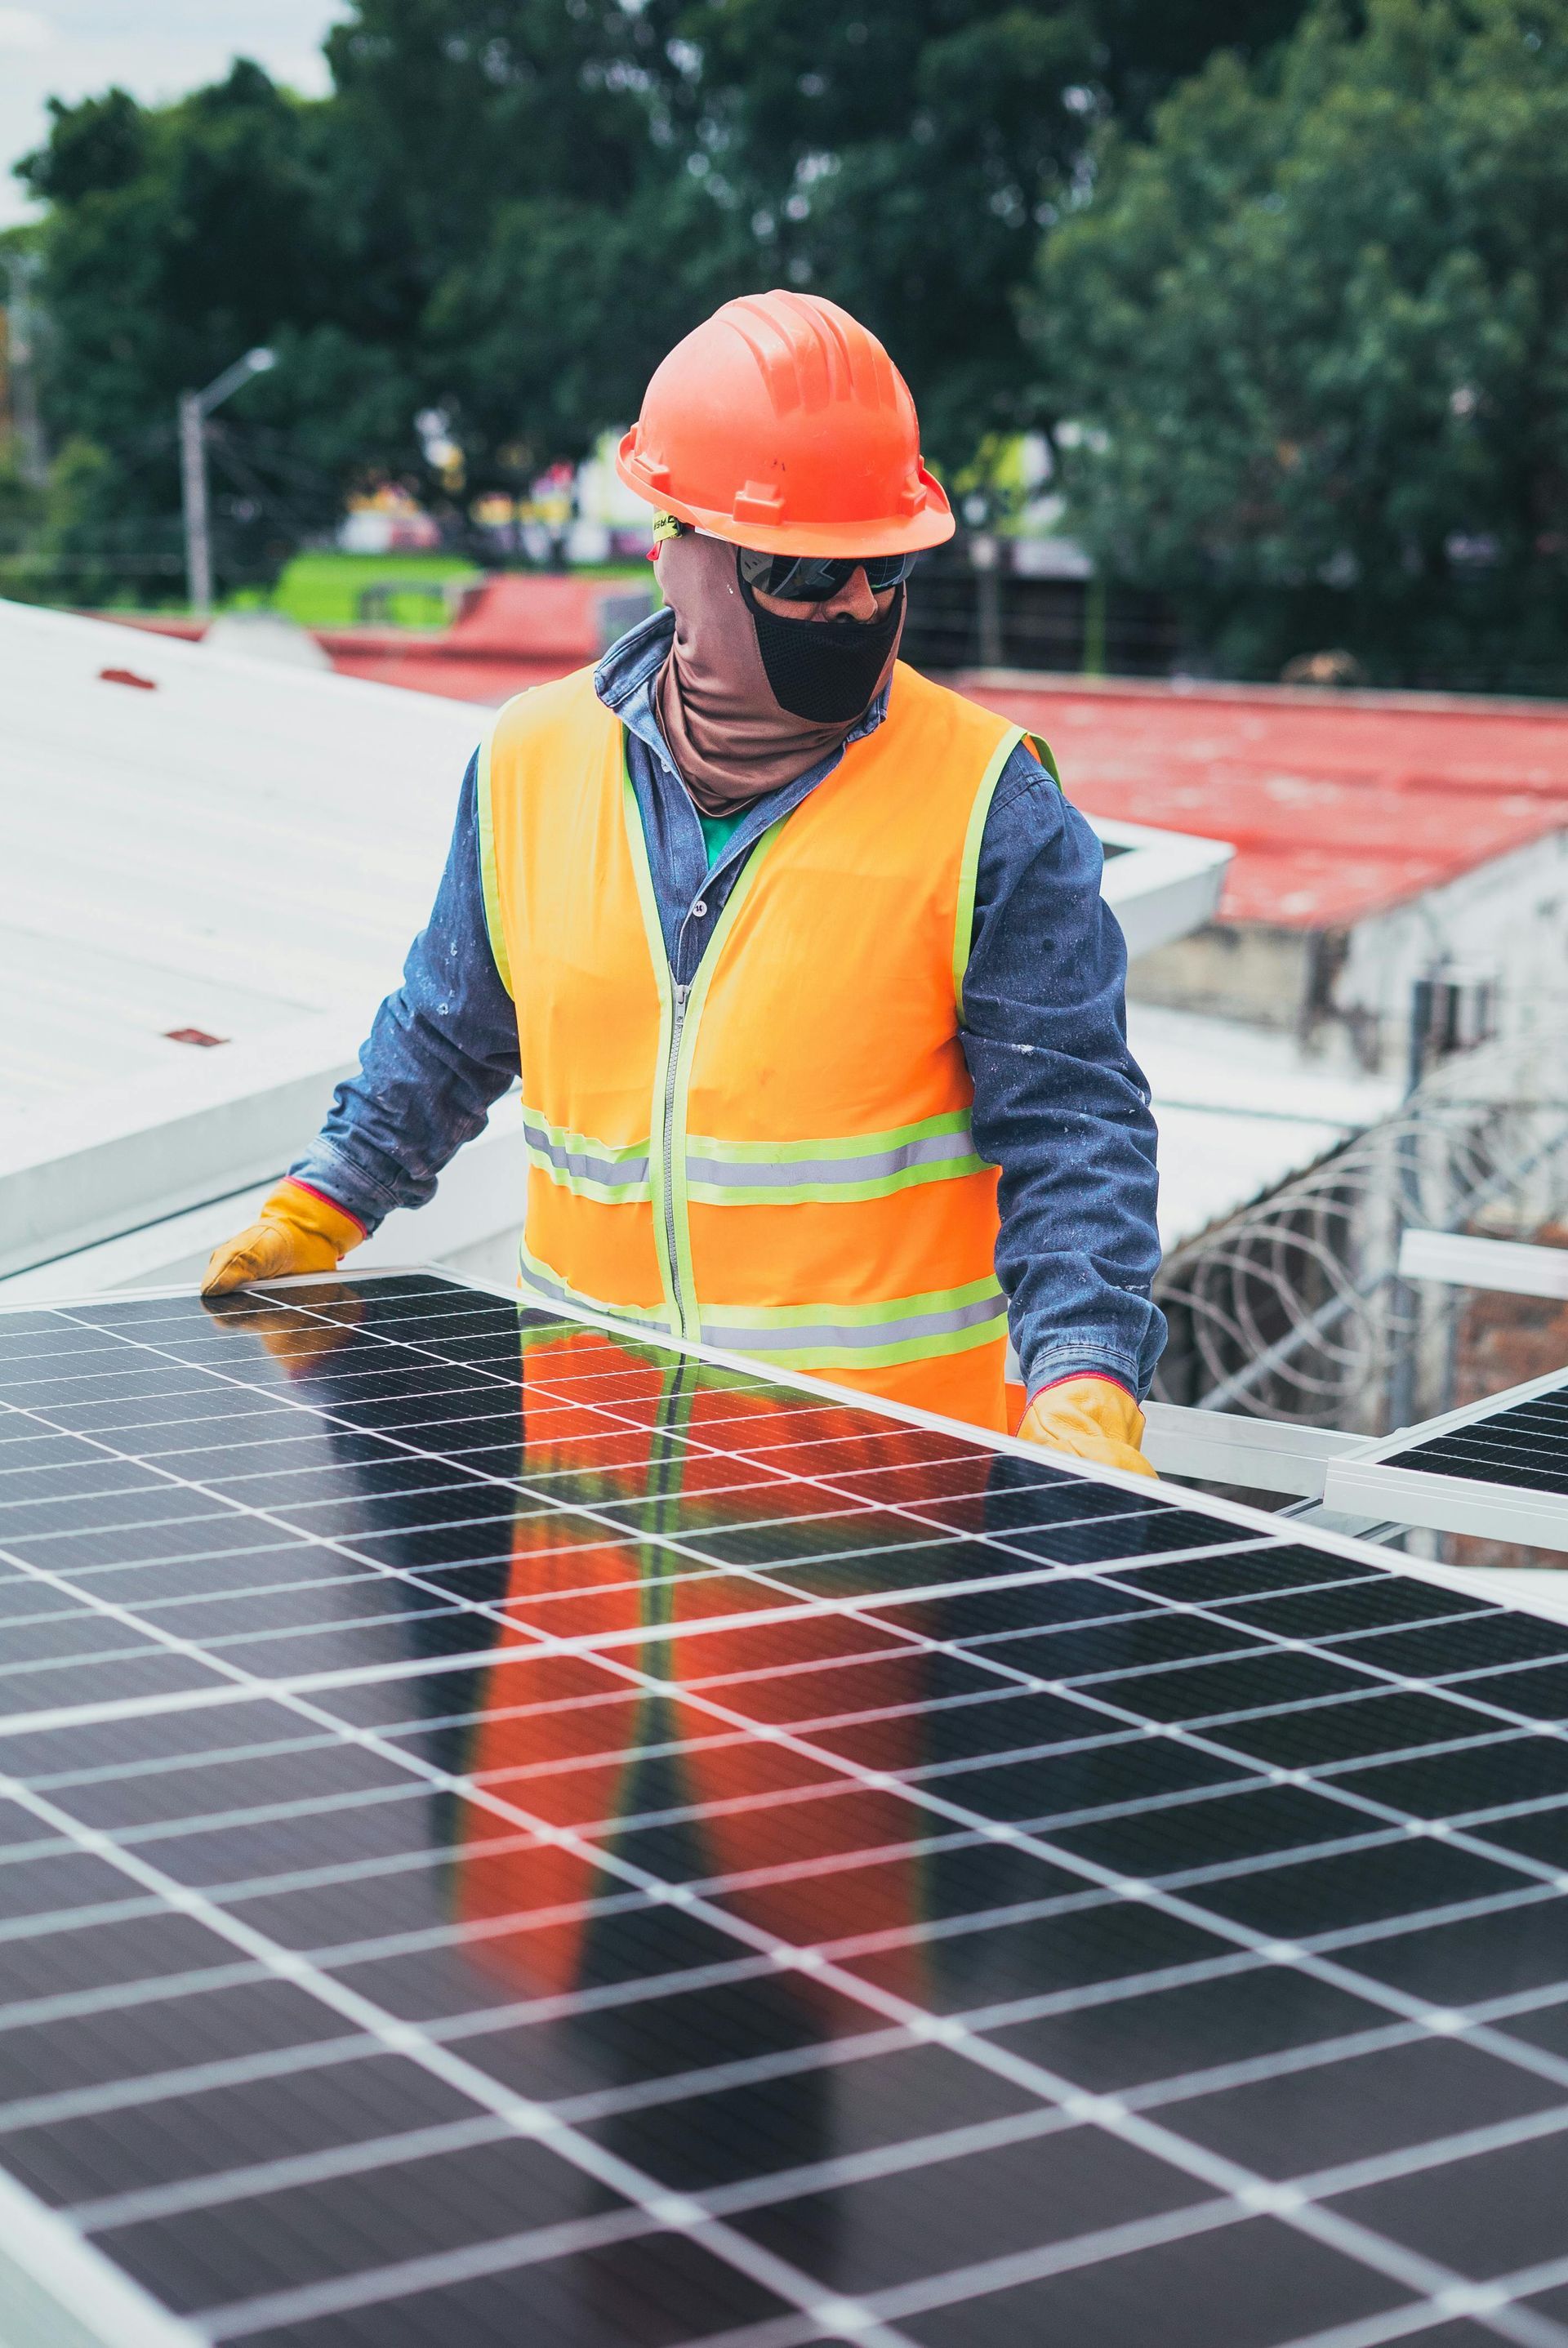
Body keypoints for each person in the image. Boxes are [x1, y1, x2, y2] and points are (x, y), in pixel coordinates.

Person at [204, 289, 1163, 1475]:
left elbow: (1076, 1133)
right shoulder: (528, 762)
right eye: (808, 575)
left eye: (885, 566)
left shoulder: (993, 809)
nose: (858, 606)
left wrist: (1086, 1379)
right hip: (584, 1530)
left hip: (868, 1543)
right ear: (681, 559)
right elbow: (450, 1032)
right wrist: (323, 1205)